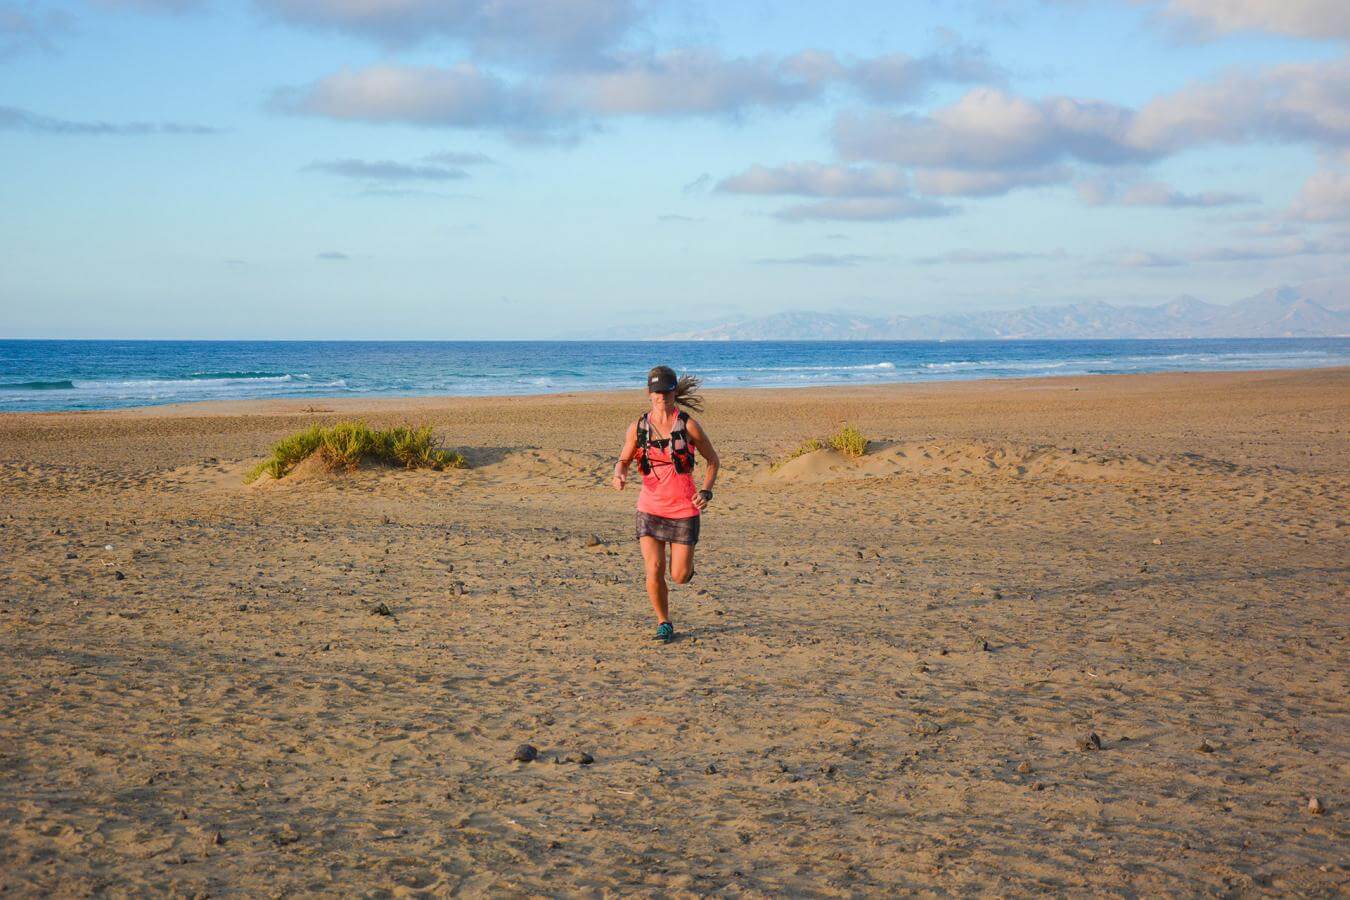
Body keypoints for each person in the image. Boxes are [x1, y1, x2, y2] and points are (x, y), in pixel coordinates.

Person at [612, 366, 720, 643]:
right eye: (656, 391)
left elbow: (713, 461)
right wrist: (619, 472)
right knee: (654, 569)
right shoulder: (638, 427)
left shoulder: (689, 425)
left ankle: (687, 567)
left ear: (674, 393)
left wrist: (706, 491)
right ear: (649, 394)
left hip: (684, 509)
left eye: (666, 391)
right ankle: (664, 622)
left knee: (680, 576)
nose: (661, 396)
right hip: (649, 508)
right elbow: (623, 459)